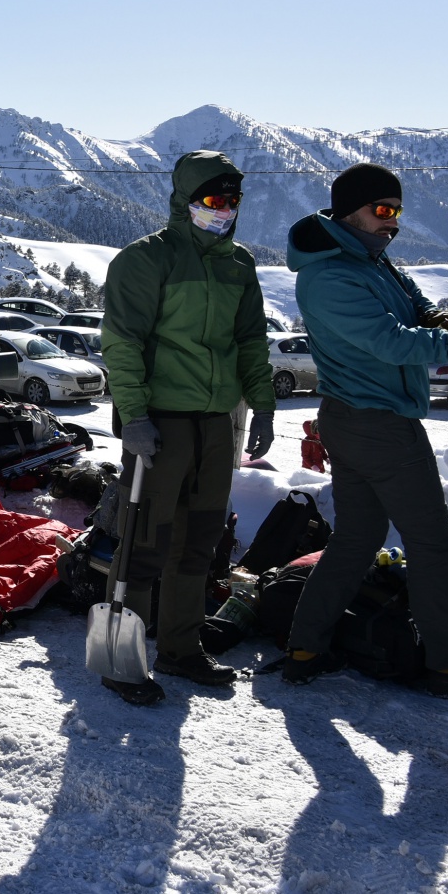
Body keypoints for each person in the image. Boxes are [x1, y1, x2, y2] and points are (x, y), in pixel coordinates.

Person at [282, 163, 448, 696]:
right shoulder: (331, 275)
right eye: (382, 210)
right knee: (432, 544)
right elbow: (393, 342)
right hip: (378, 424)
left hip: (358, 421)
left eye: (397, 212)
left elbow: (417, 308)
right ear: (347, 210)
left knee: (357, 537)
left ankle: (306, 646)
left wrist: (447, 324)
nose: (392, 222)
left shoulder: (370, 260)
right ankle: (446, 664)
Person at [98, 149, 276, 705]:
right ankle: (120, 660)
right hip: (161, 423)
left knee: (198, 544)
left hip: (216, 424)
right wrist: (134, 416)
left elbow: (250, 342)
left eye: (233, 201)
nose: (225, 210)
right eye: (214, 199)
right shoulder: (145, 259)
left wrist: (263, 405)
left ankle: (181, 649)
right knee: (145, 542)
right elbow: (121, 342)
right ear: (186, 200)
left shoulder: (239, 264)